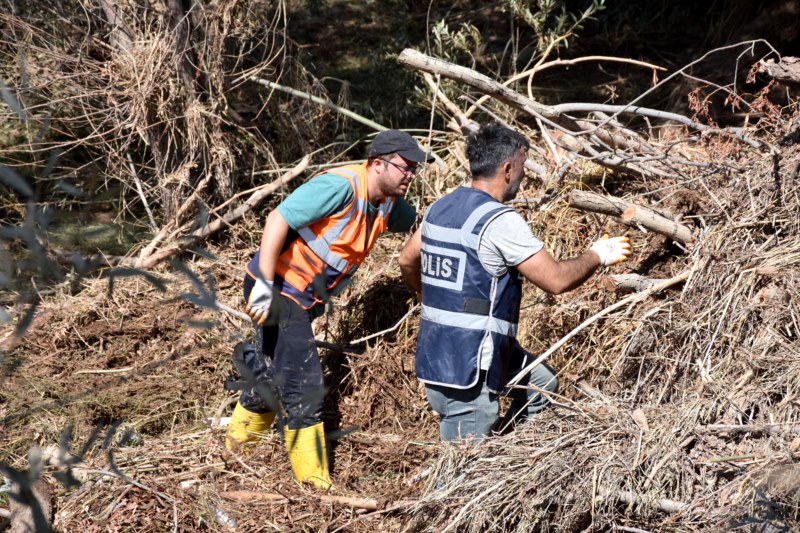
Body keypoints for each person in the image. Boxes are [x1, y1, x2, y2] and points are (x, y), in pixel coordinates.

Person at [398, 123, 630, 442]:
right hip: (469, 368)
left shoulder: (441, 207)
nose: (523, 176)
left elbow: (406, 259)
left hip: (439, 351)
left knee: (540, 383)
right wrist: (597, 255)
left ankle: (506, 452)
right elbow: (556, 280)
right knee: (460, 477)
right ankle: (477, 473)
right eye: (521, 167)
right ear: (507, 169)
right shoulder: (501, 221)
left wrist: (432, 298)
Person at [227, 130, 433, 489]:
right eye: (405, 167)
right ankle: (313, 484)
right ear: (378, 163)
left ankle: (236, 446)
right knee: (304, 382)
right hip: (276, 287)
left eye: (415, 169)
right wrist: (261, 284)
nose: (410, 175)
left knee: (272, 368)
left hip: (302, 298)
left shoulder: (388, 202)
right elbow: (278, 218)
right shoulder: (340, 186)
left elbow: (415, 222)